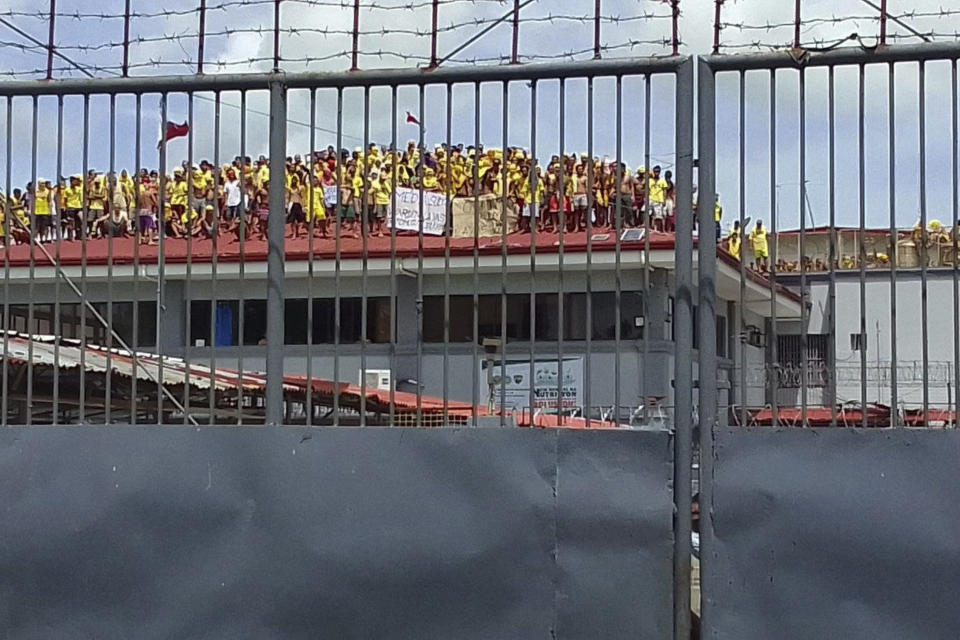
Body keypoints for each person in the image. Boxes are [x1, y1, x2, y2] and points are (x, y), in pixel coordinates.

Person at [647, 165, 668, 232]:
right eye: (655, 171)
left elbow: (665, 191)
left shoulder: (662, 181)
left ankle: (657, 229)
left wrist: (664, 200)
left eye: (658, 171)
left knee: (658, 216)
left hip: (659, 200)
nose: (656, 173)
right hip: (650, 199)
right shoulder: (649, 180)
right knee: (647, 213)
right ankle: (649, 228)